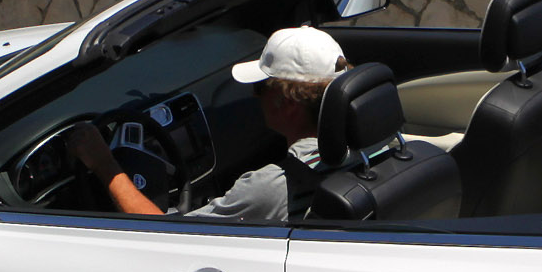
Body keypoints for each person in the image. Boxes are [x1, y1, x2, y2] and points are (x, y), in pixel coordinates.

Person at [71, 25, 347, 222]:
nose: (253, 95)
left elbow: (166, 236)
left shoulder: (271, 187)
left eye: (261, 87)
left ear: (288, 104)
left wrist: (105, 166)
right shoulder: (374, 146)